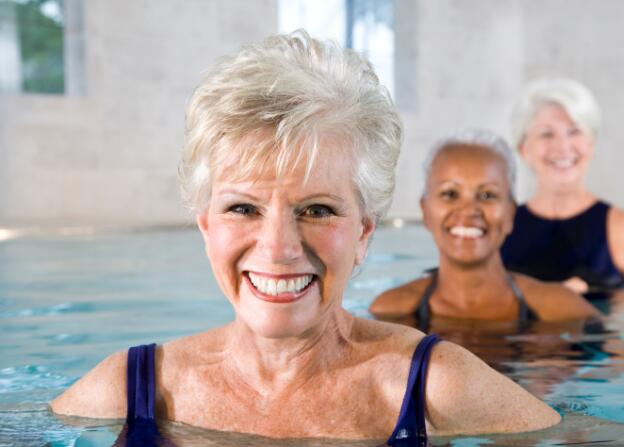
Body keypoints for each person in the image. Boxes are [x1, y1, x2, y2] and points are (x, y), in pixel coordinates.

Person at [49, 31, 561, 444]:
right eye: (243, 208)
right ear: (207, 226)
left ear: (364, 232)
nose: (277, 248)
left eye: (317, 209)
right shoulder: (127, 390)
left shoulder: (433, 387)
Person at [370, 129, 600, 329]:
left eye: (487, 195)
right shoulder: (392, 312)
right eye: (450, 194)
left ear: (511, 213)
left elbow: (616, 368)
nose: (469, 210)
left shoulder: (562, 310)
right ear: (425, 211)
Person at [501, 78, 624, 294]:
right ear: (524, 149)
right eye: (546, 134)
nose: (562, 147)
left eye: (575, 132)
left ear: (591, 143)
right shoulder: (502, 226)